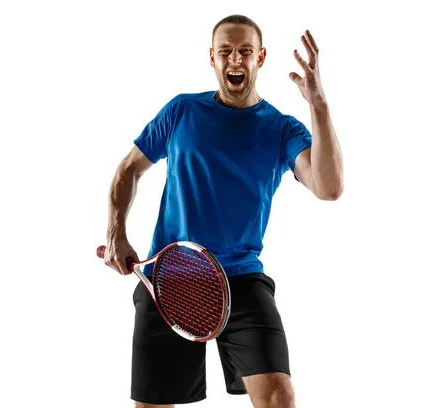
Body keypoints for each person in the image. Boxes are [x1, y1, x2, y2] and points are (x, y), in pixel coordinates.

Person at [102, 14, 343, 408]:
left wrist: (318, 103)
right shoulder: (181, 111)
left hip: (243, 280)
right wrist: (117, 232)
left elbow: (329, 187)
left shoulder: (283, 129)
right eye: (225, 52)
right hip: (170, 276)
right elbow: (128, 169)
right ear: (211, 59)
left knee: (279, 398)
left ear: (260, 58)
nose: (235, 60)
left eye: (245, 51)